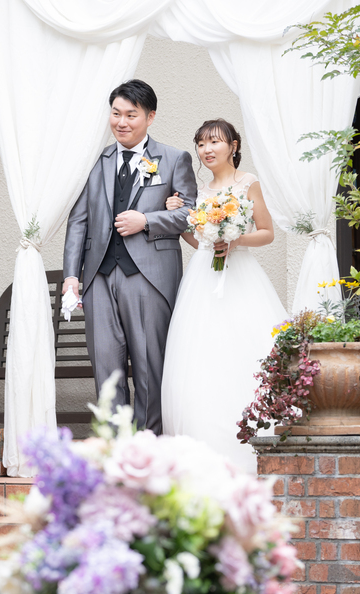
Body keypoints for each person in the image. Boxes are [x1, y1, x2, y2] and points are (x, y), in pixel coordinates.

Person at [63, 79, 197, 434]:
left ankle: (149, 444)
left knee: (150, 365)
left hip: (149, 276)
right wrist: (72, 276)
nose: (121, 122)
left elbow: (192, 215)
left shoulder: (174, 159)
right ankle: (114, 445)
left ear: (150, 117)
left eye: (131, 115)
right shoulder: (94, 161)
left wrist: (147, 220)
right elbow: (78, 221)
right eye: (116, 113)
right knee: (106, 368)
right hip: (98, 277)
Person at [160, 119, 288, 473]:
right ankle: (204, 447)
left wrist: (236, 239)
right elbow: (197, 239)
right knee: (200, 356)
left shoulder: (248, 183)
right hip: (203, 276)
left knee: (243, 350)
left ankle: (255, 441)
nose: (207, 149)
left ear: (233, 146)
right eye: (201, 143)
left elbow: (267, 232)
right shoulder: (198, 192)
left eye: (214, 141)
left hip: (241, 275)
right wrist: (178, 219)